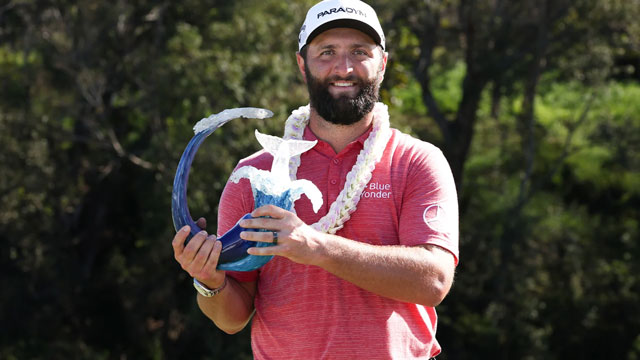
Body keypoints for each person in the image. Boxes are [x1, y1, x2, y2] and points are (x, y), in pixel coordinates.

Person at [172, 0, 459, 358]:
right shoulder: (254, 174)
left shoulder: (417, 161)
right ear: (302, 65)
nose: (344, 67)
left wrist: (315, 247)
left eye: (359, 51)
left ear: (382, 64)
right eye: (326, 52)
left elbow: (433, 281)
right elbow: (232, 318)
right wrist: (209, 282)